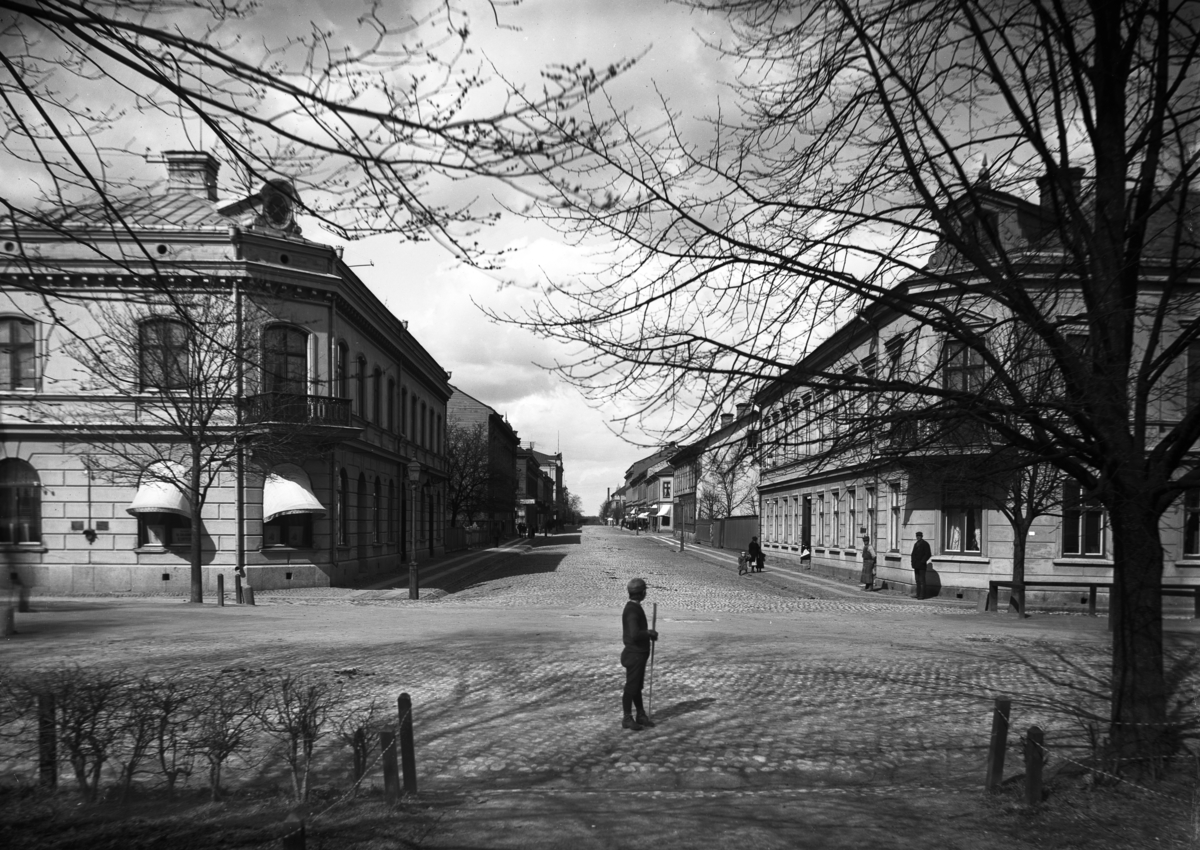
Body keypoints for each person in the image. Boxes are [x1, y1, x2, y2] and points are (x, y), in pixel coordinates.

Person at [620, 578, 658, 731]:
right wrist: (649, 633)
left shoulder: (634, 607)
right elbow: (635, 634)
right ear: (642, 593)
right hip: (634, 654)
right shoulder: (632, 610)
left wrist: (649, 634)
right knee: (631, 687)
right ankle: (627, 718)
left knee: (637, 686)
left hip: (639, 654)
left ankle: (640, 714)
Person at [911, 530, 931, 599]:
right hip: (916, 565)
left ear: (922, 537)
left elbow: (928, 554)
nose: (918, 537)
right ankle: (918, 594)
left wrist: (922, 561)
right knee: (917, 580)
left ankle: (922, 595)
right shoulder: (916, 544)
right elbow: (913, 554)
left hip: (922, 566)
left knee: (922, 581)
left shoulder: (925, 544)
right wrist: (913, 563)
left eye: (919, 536)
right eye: (917, 536)